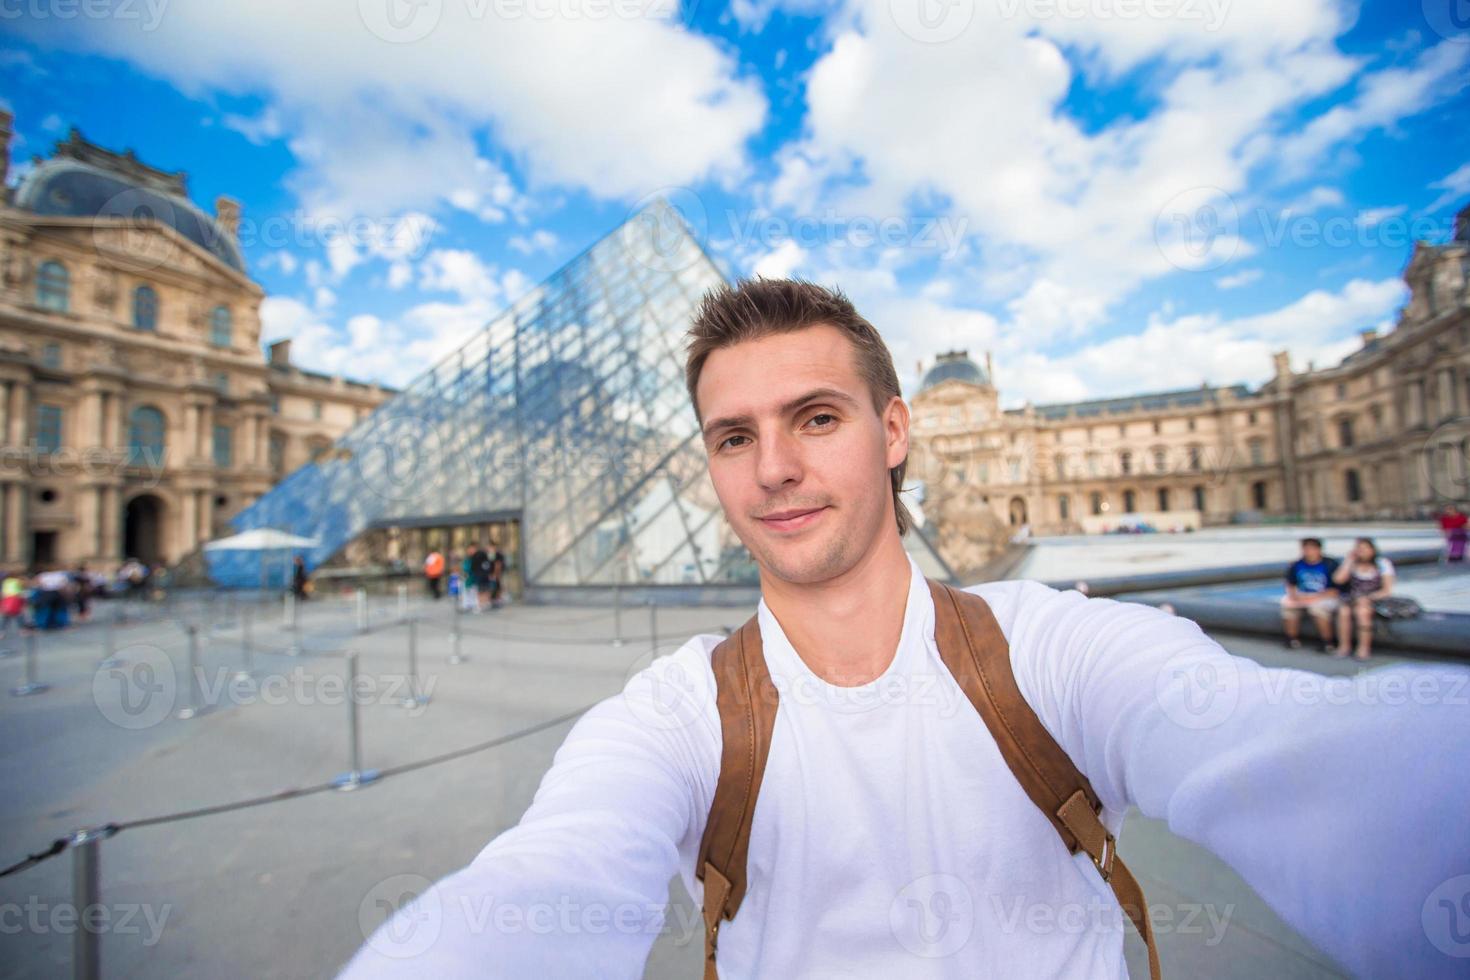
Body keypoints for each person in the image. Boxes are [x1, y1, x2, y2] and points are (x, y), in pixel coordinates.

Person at [342, 279, 1469, 980]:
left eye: (816, 418)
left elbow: (1291, 746)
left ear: (896, 430)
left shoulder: (1062, 652)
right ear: (709, 467)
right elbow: (550, 881)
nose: (775, 465)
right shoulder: (671, 718)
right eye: (734, 436)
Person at [1331, 537, 1395, 661]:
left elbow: (1386, 590)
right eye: (1358, 549)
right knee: (1344, 612)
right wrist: (1348, 561)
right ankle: (1344, 646)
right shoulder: (1353, 563)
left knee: (1362, 612)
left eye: (1364, 549)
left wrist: (1368, 598)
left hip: (1375, 599)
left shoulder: (1382, 564)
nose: (1361, 552)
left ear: (1372, 550)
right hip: (1353, 598)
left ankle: (1364, 648)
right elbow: (1338, 580)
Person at [1279, 537, 1339, 651]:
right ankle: (1291, 639)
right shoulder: (1297, 564)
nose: (1308, 552)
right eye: (1306, 549)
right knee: (1288, 608)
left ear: (1319, 550)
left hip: (1324, 596)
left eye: (1311, 549)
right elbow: (1290, 583)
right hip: (1302, 596)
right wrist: (1295, 596)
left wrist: (1314, 597)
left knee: (1317, 609)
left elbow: (1336, 590)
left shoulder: (1330, 565)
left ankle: (1327, 642)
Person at [471, 544, 495, 613]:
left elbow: (473, 567)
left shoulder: (476, 557)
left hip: (480, 576)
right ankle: (485, 603)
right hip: (485, 576)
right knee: (485, 589)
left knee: (481, 590)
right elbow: (491, 566)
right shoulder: (488, 558)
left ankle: (481, 604)